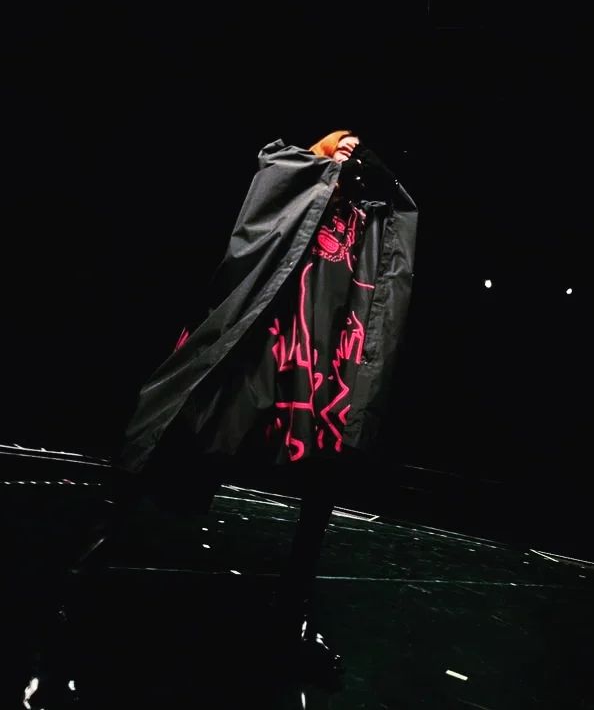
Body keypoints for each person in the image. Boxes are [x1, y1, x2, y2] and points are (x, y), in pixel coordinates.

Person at [22, 130, 418, 705]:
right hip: (259, 340)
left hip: (316, 355)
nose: (351, 153)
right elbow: (259, 228)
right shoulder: (291, 180)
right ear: (321, 149)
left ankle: (295, 617)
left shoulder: (366, 217)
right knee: (169, 432)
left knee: (323, 475)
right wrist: (324, 169)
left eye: (359, 149)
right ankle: (81, 583)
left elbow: (379, 273)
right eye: (342, 143)